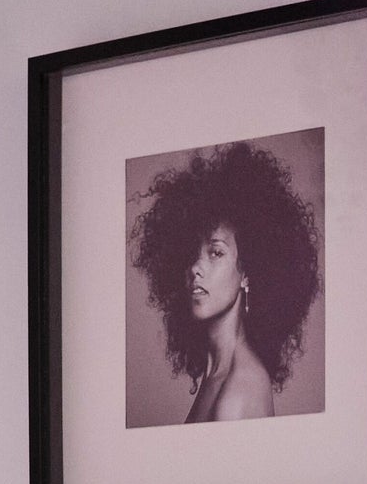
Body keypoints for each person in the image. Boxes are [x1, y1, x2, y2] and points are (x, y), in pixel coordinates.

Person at [130, 138, 323, 424]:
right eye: (191, 253)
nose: (196, 266)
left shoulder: (238, 394)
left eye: (216, 252)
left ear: (248, 272)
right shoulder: (219, 375)